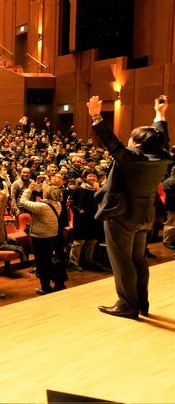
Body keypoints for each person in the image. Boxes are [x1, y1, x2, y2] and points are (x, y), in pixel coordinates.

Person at [88, 95, 171, 319]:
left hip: (122, 216)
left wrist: (96, 116)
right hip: (146, 215)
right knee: (138, 260)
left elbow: (112, 144)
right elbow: (162, 138)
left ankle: (127, 304)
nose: (128, 141)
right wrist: (160, 114)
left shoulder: (133, 158)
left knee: (122, 260)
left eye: (132, 139)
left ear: (137, 145)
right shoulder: (163, 157)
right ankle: (141, 302)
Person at [18, 184, 63, 294]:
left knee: (42, 263)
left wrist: (29, 189)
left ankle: (45, 287)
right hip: (52, 235)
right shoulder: (58, 204)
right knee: (48, 260)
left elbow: (22, 201)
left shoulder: (41, 206)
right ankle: (59, 283)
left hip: (40, 237)